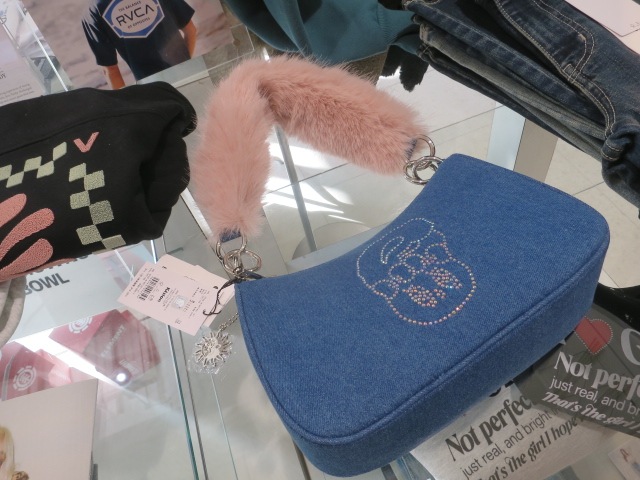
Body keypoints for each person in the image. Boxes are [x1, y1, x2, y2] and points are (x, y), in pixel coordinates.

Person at [82, 0, 197, 89]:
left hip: (151, 91)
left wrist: (130, 106)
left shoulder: (93, 11)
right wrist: (185, 65)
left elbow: (110, 70)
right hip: (189, 75)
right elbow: (190, 30)